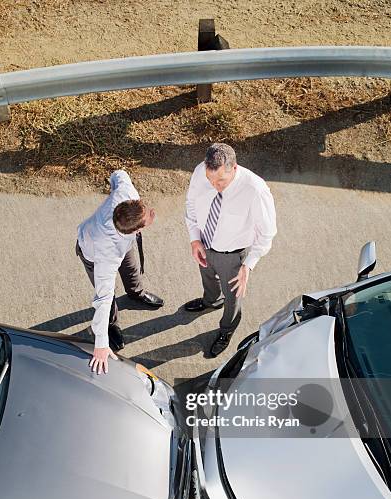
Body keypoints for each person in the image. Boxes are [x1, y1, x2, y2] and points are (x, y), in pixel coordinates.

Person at [184, 143, 277, 357]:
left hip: (233, 255)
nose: (214, 185)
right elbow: (191, 203)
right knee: (207, 278)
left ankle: (227, 329)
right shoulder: (201, 171)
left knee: (233, 296)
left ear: (233, 168)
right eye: (210, 180)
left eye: (221, 181)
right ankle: (210, 301)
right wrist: (194, 239)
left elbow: (267, 233)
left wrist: (248, 266)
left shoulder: (256, 190)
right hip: (205, 243)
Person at [76, 170, 163, 374]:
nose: (152, 214)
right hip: (93, 253)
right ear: (136, 230)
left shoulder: (126, 192)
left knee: (131, 269)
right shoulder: (108, 254)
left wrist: (112, 178)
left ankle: (136, 293)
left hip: (122, 241)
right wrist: (100, 343)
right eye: (148, 218)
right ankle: (111, 325)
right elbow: (102, 298)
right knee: (109, 296)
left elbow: (119, 174)